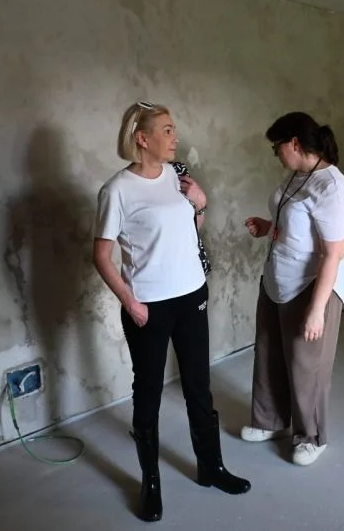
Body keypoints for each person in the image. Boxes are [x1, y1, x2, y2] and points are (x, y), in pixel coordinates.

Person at [93, 101, 250, 523]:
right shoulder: (117, 190)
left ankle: (211, 467)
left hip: (191, 294)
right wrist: (130, 302)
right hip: (150, 306)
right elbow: (102, 256)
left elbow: (187, 234)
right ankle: (151, 483)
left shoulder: (178, 176)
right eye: (166, 130)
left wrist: (201, 205)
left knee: (199, 385)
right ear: (142, 139)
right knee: (148, 392)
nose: (174, 136)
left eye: (173, 129)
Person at [240, 112, 344, 467]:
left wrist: (317, 310)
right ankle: (271, 421)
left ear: (294, 143)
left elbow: (333, 253)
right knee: (269, 351)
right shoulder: (298, 176)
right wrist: (268, 227)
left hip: (312, 284)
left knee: (307, 364)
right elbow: (297, 225)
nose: (276, 154)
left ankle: (311, 436)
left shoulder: (332, 188)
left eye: (276, 147)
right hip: (278, 277)